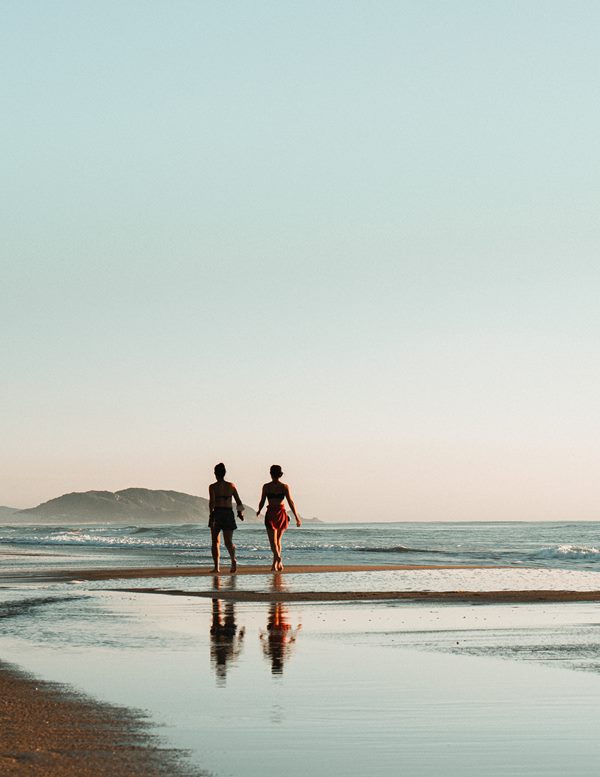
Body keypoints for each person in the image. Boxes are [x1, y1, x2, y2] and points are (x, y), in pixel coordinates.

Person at [256, 464, 301, 571]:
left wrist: (259, 510)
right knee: (278, 541)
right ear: (280, 474)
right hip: (281, 513)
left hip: (272, 513)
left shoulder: (267, 486)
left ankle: (278, 559)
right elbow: (291, 502)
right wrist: (296, 517)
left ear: (271, 474)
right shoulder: (284, 486)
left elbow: (262, 501)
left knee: (273, 542)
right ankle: (276, 563)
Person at [208, 463, 244, 573]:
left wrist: (211, 515)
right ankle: (233, 560)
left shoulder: (213, 487)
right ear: (225, 473)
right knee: (228, 541)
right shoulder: (231, 486)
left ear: (215, 473)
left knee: (215, 542)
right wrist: (240, 513)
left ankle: (217, 567)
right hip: (228, 513)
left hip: (217, 513)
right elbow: (238, 501)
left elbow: (212, 503)